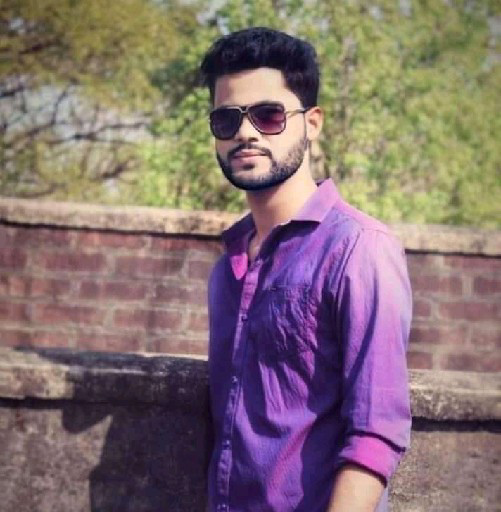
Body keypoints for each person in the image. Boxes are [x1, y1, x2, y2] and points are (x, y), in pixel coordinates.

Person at [201, 27, 412, 512]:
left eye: (269, 115)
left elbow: (376, 432)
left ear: (311, 123)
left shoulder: (359, 250)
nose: (246, 133)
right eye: (227, 118)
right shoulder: (227, 269)